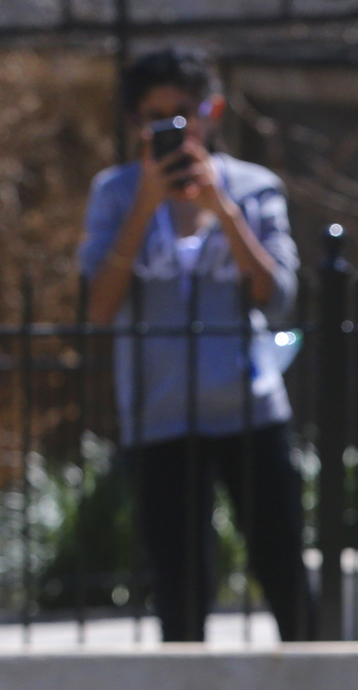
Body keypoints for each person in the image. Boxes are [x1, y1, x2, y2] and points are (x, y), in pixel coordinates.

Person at [79, 46, 315, 643]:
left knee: (284, 570)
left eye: (184, 113)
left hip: (248, 410)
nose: (172, 129)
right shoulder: (115, 192)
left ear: (210, 112)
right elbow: (97, 308)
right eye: (154, 117)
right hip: (158, 418)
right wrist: (146, 207)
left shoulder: (254, 187)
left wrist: (223, 210)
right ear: (136, 124)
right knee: (181, 590)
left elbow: (278, 296)